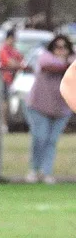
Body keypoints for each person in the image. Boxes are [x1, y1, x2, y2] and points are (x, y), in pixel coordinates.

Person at [23, 33, 74, 184]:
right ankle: (34, 169)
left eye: (64, 47)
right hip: (39, 106)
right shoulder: (45, 57)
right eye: (57, 47)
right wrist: (66, 64)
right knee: (40, 137)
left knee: (52, 141)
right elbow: (50, 66)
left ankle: (46, 172)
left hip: (61, 109)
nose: (61, 50)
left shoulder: (72, 60)